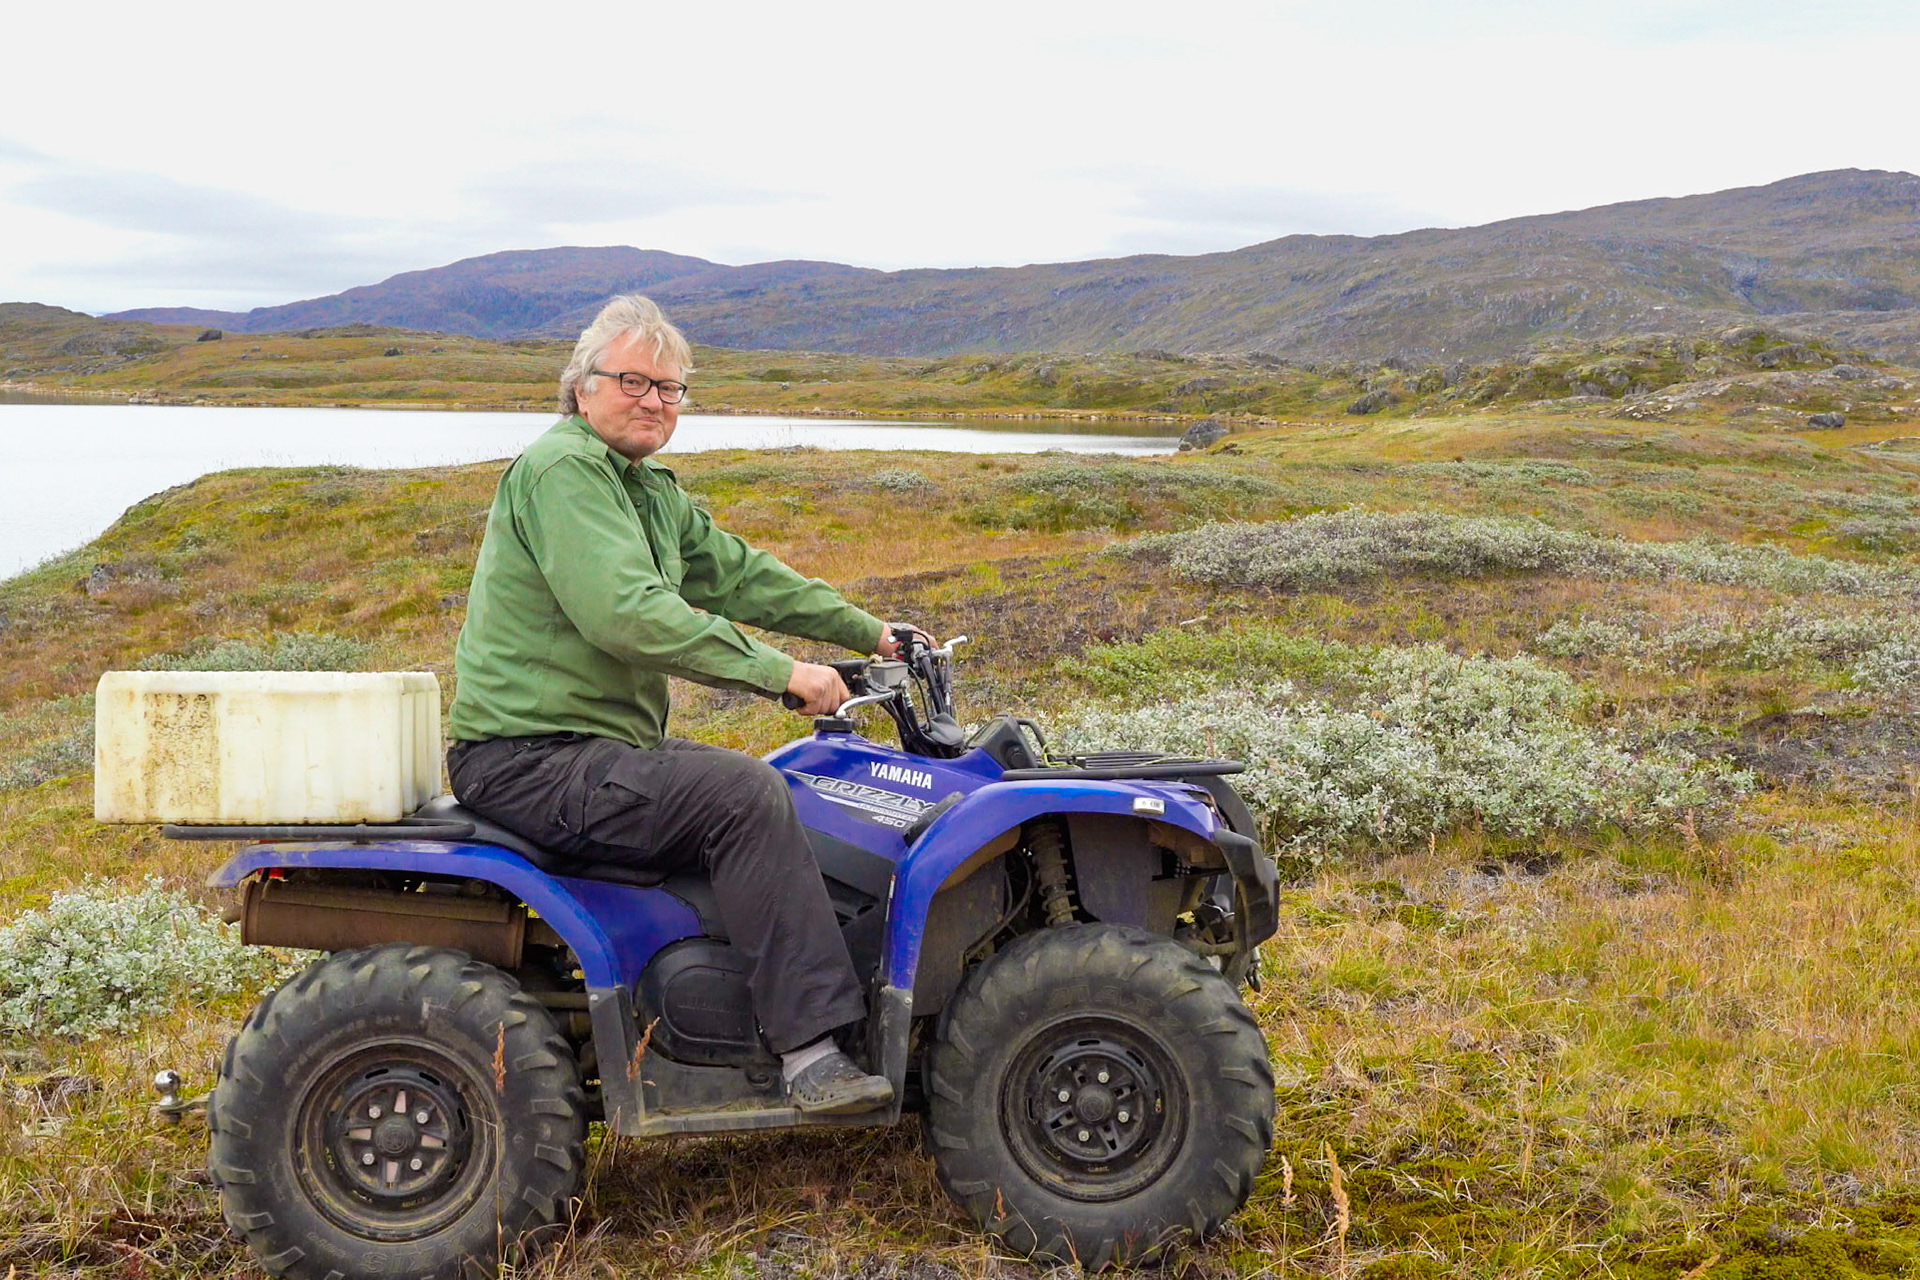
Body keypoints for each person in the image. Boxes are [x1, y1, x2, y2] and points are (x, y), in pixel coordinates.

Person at [446, 294, 921, 1114]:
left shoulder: (642, 487)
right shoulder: (564, 471)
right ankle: (811, 1053)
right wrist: (782, 673)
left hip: (589, 751)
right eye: (634, 381)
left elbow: (739, 575)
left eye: (670, 390)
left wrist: (869, 630)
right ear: (582, 385)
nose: (654, 402)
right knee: (741, 796)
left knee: (776, 785)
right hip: (531, 758)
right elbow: (625, 611)